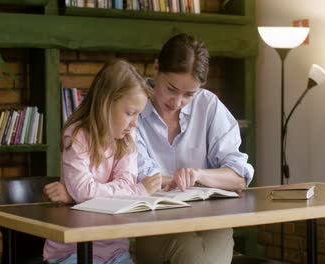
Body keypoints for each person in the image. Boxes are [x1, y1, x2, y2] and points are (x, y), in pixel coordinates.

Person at [44, 34, 254, 264]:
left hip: (206, 219)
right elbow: (142, 181)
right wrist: (81, 193)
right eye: (171, 89)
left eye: (189, 95)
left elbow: (239, 176)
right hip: (154, 223)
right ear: (156, 67)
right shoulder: (133, 108)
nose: (177, 102)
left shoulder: (209, 106)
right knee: (194, 257)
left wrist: (198, 175)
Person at [43, 59, 162, 264]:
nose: (134, 123)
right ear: (106, 103)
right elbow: (85, 191)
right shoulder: (77, 135)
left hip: (116, 251)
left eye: (138, 115)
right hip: (72, 250)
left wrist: (75, 195)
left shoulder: (128, 136)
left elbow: (103, 189)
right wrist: (139, 191)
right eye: (130, 113)